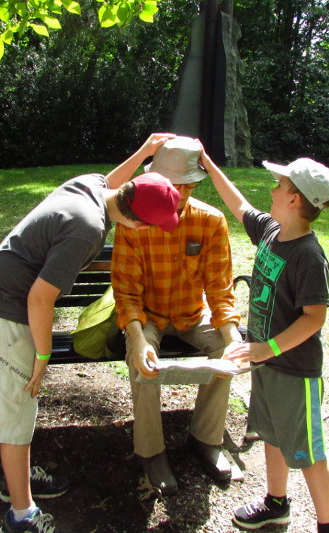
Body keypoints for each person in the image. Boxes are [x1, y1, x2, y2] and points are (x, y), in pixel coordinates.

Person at [0, 133, 181, 533]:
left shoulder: (93, 186)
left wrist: (144, 152)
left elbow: (113, 178)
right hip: (5, 313)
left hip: (5, 303)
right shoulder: (86, 229)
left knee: (21, 409)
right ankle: (20, 515)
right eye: (150, 225)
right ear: (134, 221)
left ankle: (20, 478)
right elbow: (39, 299)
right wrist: (43, 358)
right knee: (16, 409)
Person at [200, 151, 329, 533]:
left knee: (307, 452)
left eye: (280, 186)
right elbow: (238, 205)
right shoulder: (271, 232)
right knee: (271, 434)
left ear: (295, 200)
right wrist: (207, 163)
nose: (272, 189)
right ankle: (276, 502)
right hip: (267, 362)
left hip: (294, 371)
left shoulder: (309, 256)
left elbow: (315, 317)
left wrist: (268, 348)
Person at [111, 136, 243, 496]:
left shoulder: (211, 221)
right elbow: (126, 292)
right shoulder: (134, 223)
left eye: (188, 184)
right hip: (148, 316)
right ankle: (151, 453)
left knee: (223, 351)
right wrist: (138, 340)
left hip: (190, 313)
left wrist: (234, 341)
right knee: (142, 361)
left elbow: (219, 288)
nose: (181, 192)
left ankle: (206, 439)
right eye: (173, 184)